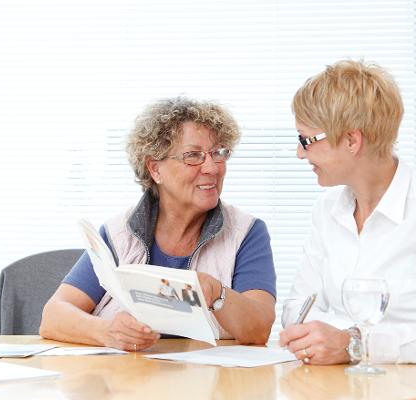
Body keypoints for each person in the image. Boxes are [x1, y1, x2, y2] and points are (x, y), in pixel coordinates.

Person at [40, 96, 276, 351]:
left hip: (208, 386)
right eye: (193, 155)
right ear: (155, 169)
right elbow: (53, 317)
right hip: (128, 383)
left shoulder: (246, 233)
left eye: (218, 153)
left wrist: (216, 292)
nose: (212, 167)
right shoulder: (118, 233)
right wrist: (108, 332)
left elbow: (259, 328)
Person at [279, 60, 416, 369]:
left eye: (306, 140)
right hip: (332, 385)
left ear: (351, 140)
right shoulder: (326, 210)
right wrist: (322, 338)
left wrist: (356, 343)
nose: (300, 153)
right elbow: (295, 309)